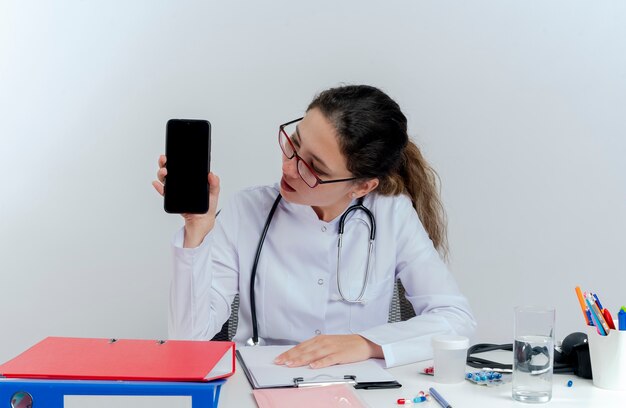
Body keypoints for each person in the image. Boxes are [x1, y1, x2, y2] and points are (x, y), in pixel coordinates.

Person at [153, 84, 476, 368]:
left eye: (314, 167)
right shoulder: (246, 210)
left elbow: (455, 319)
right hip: (263, 380)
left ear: (362, 187)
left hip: (356, 385)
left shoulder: (392, 214)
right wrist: (197, 228)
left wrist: (365, 343)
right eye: (294, 144)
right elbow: (189, 339)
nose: (289, 168)